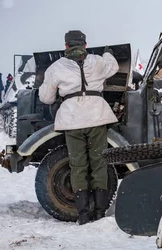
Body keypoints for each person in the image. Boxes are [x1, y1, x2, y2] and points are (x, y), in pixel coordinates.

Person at [39, 30, 119, 225]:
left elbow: (46, 98)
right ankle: (100, 211)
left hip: (72, 119)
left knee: (78, 165)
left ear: (66, 46)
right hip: (96, 117)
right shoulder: (97, 61)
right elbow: (114, 66)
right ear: (85, 44)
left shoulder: (56, 67)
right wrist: (108, 52)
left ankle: (83, 214)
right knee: (99, 162)